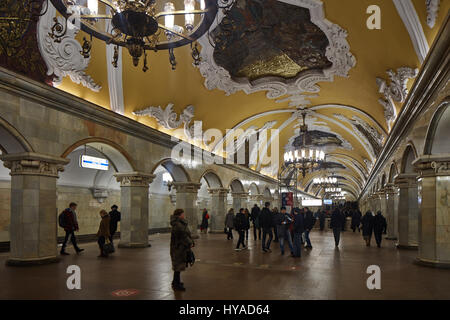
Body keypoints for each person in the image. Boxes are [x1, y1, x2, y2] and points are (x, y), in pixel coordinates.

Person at [170, 208, 194, 291]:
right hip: (179, 248)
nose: (184, 215)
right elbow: (183, 236)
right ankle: (176, 285)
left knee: (178, 266)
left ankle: (175, 282)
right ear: (179, 215)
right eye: (183, 214)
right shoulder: (178, 224)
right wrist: (189, 243)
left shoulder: (179, 223)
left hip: (179, 247)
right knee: (178, 266)